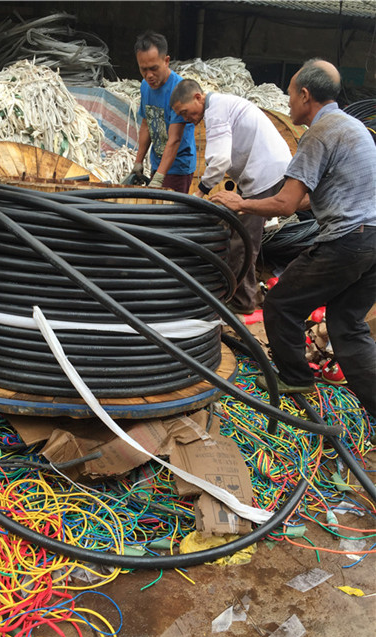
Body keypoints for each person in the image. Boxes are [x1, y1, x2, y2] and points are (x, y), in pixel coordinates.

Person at [210, 59, 376, 418]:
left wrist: (241, 203)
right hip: (372, 241)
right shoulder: (351, 126)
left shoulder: (319, 133)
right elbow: (305, 198)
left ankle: (295, 378)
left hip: (348, 240)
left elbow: (286, 205)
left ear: (305, 95)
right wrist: (266, 202)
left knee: (281, 304)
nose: (287, 103)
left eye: (289, 94)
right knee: (347, 325)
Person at [170, 79, 293, 314]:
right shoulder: (220, 105)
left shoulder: (216, 109)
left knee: (242, 242)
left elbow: (220, 160)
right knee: (238, 234)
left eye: (185, 112)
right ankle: (246, 294)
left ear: (198, 97)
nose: (186, 119)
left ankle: (241, 302)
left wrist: (200, 192)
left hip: (264, 175)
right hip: (262, 172)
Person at [126, 31, 196, 194]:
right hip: (158, 165)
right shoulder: (145, 86)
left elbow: (175, 139)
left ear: (166, 61)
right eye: (143, 69)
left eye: (154, 68)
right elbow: (146, 124)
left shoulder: (179, 90)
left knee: (169, 210)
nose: (149, 75)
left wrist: (159, 177)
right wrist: (138, 162)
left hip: (177, 168)